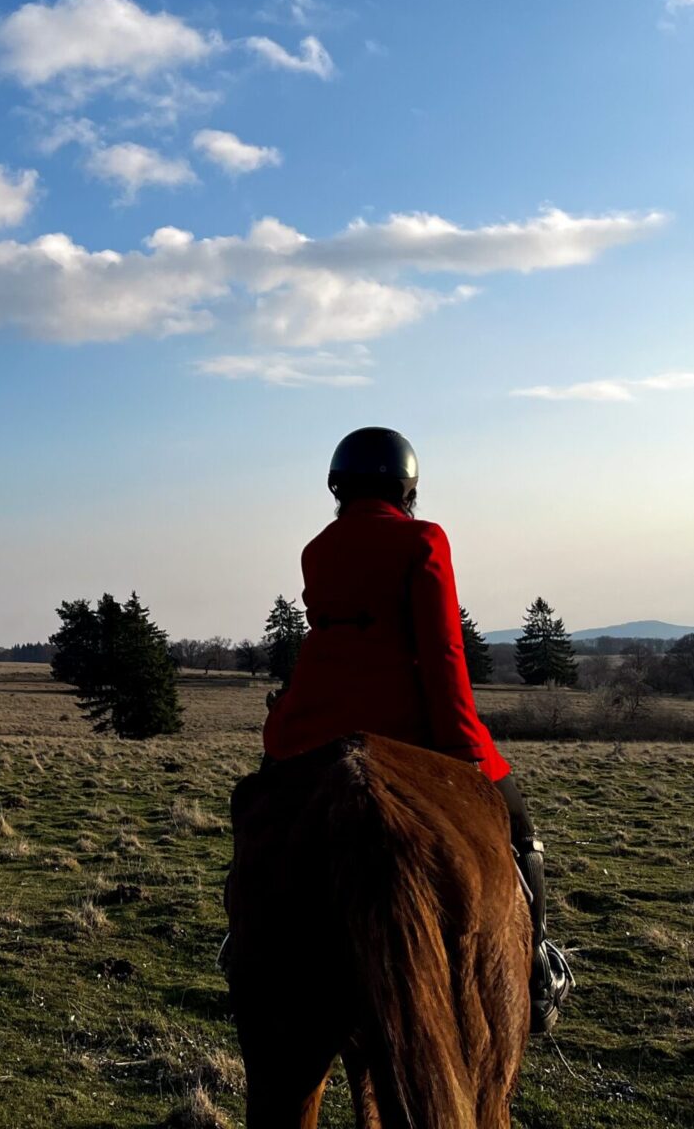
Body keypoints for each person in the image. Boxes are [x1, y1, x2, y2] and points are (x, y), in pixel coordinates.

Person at [260, 426, 573, 1033]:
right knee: (520, 828)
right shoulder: (423, 539)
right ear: (407, 488)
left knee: (266, 818)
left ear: (338, 487)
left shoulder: (317, 549)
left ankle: (243, 942)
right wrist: (465, 749)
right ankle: (536, 970)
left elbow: (331, 639)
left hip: (315, 729)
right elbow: (443, 650)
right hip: (411, 731)